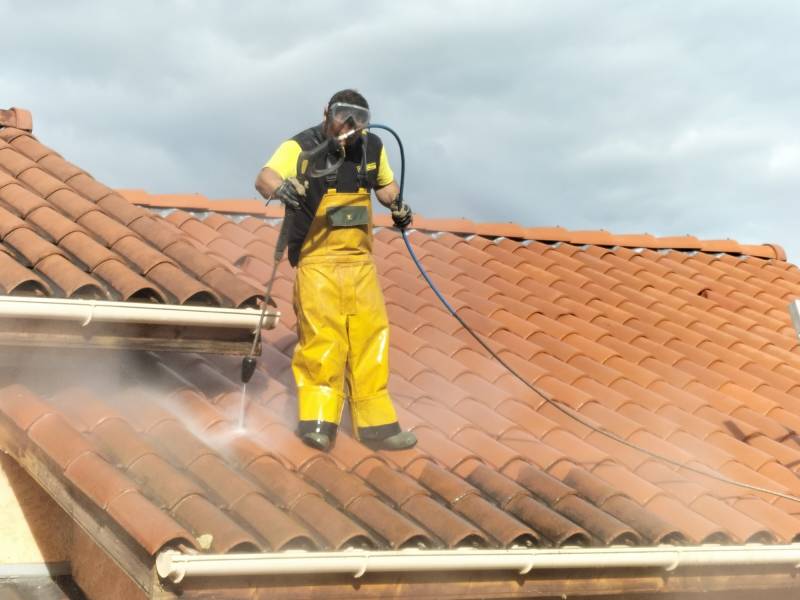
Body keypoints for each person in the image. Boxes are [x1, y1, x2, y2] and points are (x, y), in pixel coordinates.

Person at [255, 89, 417, 452]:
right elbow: (263, 177)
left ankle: (376, 425)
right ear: (327, 113)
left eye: (359, 119)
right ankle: (318, 423)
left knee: (370, 336)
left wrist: (398, 204)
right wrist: (282, 188)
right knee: (323, 339)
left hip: (360, 264)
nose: (350, 125)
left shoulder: (372, 148)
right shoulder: (301, 147)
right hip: (317, 261)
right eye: (344, 116)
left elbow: (386, 186)